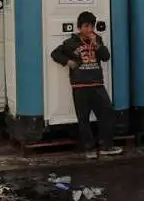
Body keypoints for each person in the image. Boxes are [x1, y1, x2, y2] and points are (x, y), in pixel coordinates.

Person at [50, 11, 123, 159]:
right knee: (83, 118)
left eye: (92, 26)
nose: (90, 29)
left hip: (96, 83)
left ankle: (106, 145)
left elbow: (106, 57)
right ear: (79, 27)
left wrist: (96, 44)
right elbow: (55, 53)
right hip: (80, 85)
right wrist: (68, 62)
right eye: (86, 26)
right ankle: (89, 148)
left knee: (107, 113)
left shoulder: (97, 40)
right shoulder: (71, 43)